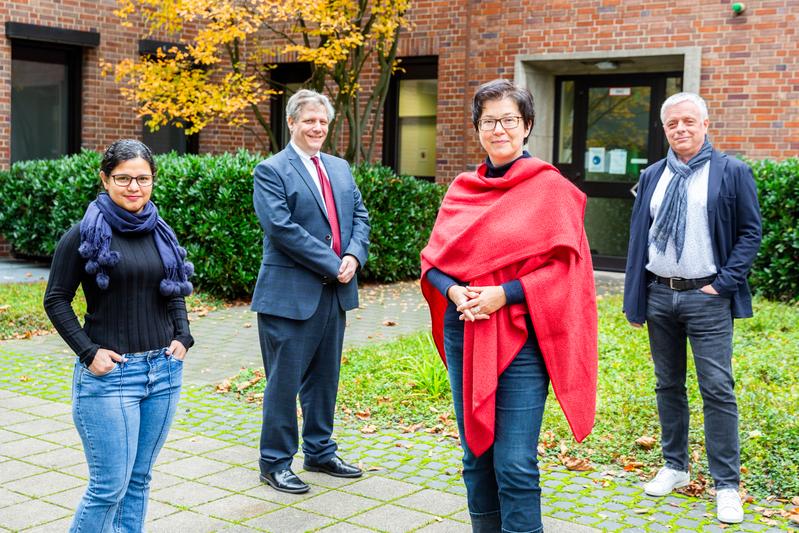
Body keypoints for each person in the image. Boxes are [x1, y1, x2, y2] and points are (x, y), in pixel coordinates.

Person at [420, 79, 598, 533]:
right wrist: (456, 292)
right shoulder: (462, 189)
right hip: (467, 331)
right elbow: (433, 264)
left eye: (509, 120)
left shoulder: (549, 189)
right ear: (477, 128)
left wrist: (505, 294)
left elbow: (566, 271)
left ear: (527, 126)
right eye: (489, 121)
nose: (499, 129)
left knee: (515, 463)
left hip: (523, 337)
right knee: (475, 457)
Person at [623, 92, 761, 524]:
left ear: (705, 124)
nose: (680, 129)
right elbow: (637, 238)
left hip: (707, 298)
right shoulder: (652, 176)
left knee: (717, 390)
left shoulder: (731, 172)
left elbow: (750, 234)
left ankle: (726, 486)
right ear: (664, 130)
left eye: (688, 121)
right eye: (672, 124)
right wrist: (638, 294)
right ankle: (675, 467)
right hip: (661, 293)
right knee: (668, 385)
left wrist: (722, 286)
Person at [43, 139, 194, 532]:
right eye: (123, 178)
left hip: (163, 371)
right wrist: (88, 352)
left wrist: (183, 334)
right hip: (110, 377)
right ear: (105, 179)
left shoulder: (160, 231)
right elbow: (56, 300)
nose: (134, 187)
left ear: (153, 181)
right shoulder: (83, 234)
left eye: (142, 178)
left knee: (139, 480)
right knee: (109, 487)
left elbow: (173, 287)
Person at [252, 89, 370, 494]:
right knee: (283, 384)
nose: (317, 128)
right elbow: (281, 229)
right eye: (309, 121)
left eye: (322, 121)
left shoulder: (339, 167)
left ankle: (319, 451)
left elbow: (359, 215)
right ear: (292, 123)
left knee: (325, 379)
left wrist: (353, 255)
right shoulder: (271, 170)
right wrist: (332, 263)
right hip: (288, 297)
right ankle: (274, 462)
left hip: (333, 294)